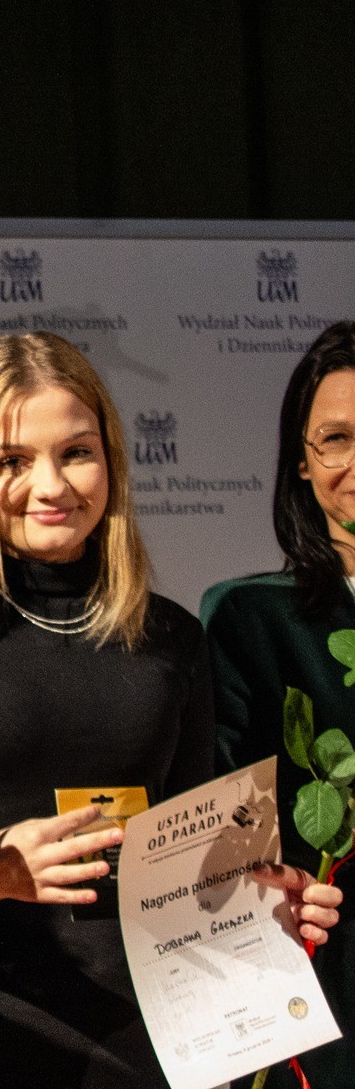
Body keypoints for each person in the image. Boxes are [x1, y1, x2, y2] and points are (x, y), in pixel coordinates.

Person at [0, 331, 339, 1088]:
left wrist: (265, 906)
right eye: (12, 461)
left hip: (151, 1056)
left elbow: (194, 871)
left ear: (110, 459)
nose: (51, 485)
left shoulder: (171, 637)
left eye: (76, 452)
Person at [206, 320, 355, 1089]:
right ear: (301, 459)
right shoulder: (252, 620)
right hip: (324, 986)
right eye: (337, 438)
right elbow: (224, 844)